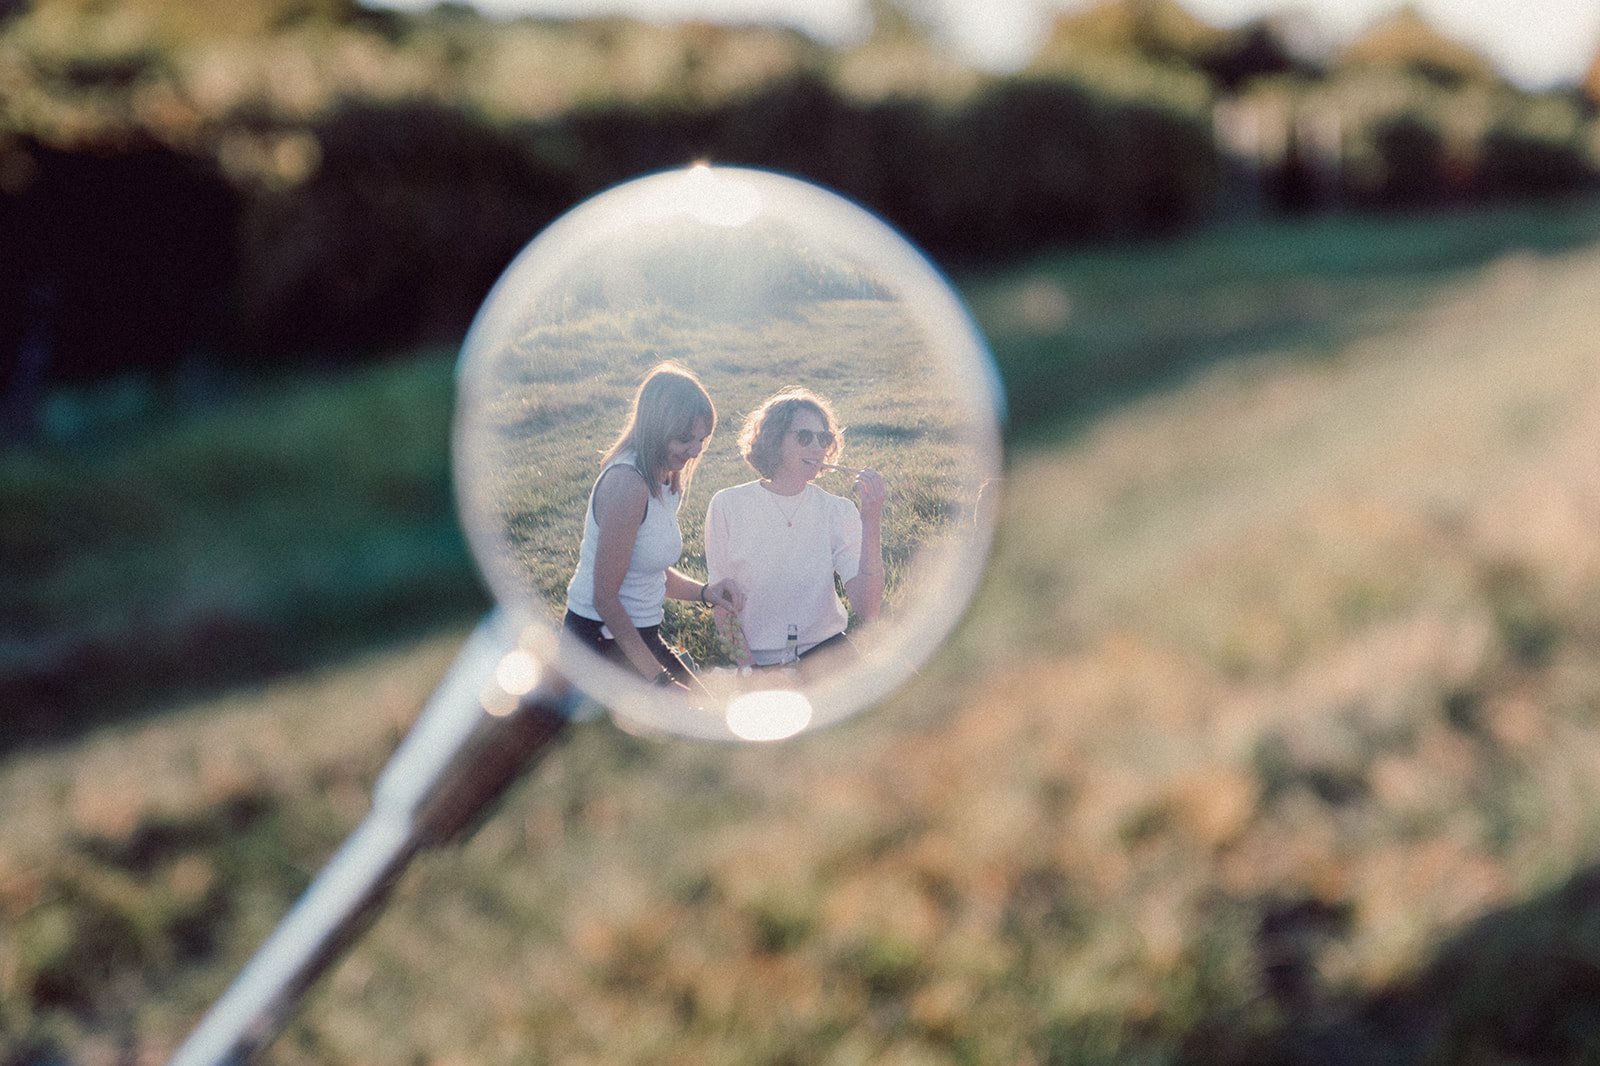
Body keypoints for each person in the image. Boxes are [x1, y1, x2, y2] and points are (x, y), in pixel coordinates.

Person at [563, 361, 744, 693]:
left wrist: (707, 592)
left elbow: (649, 569)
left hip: (639, 635)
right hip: (600, 640)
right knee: (688, 714)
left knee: (703, 710)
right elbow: (604, 598)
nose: (694, 451)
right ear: (656, 428)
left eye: (701, 439)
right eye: (684, 439)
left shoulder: (666, 478)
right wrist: (660, 680)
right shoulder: (627, 485)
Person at [705, 386, 885, 670]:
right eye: (804, 436)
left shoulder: (837, 510)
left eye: (824, 438)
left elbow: (868, 607)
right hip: (761, 661)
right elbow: (722, 605)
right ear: (774, 439)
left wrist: (871, 519)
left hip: (828, 654)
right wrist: (750, 671)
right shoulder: (728, 505)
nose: (817, 447)